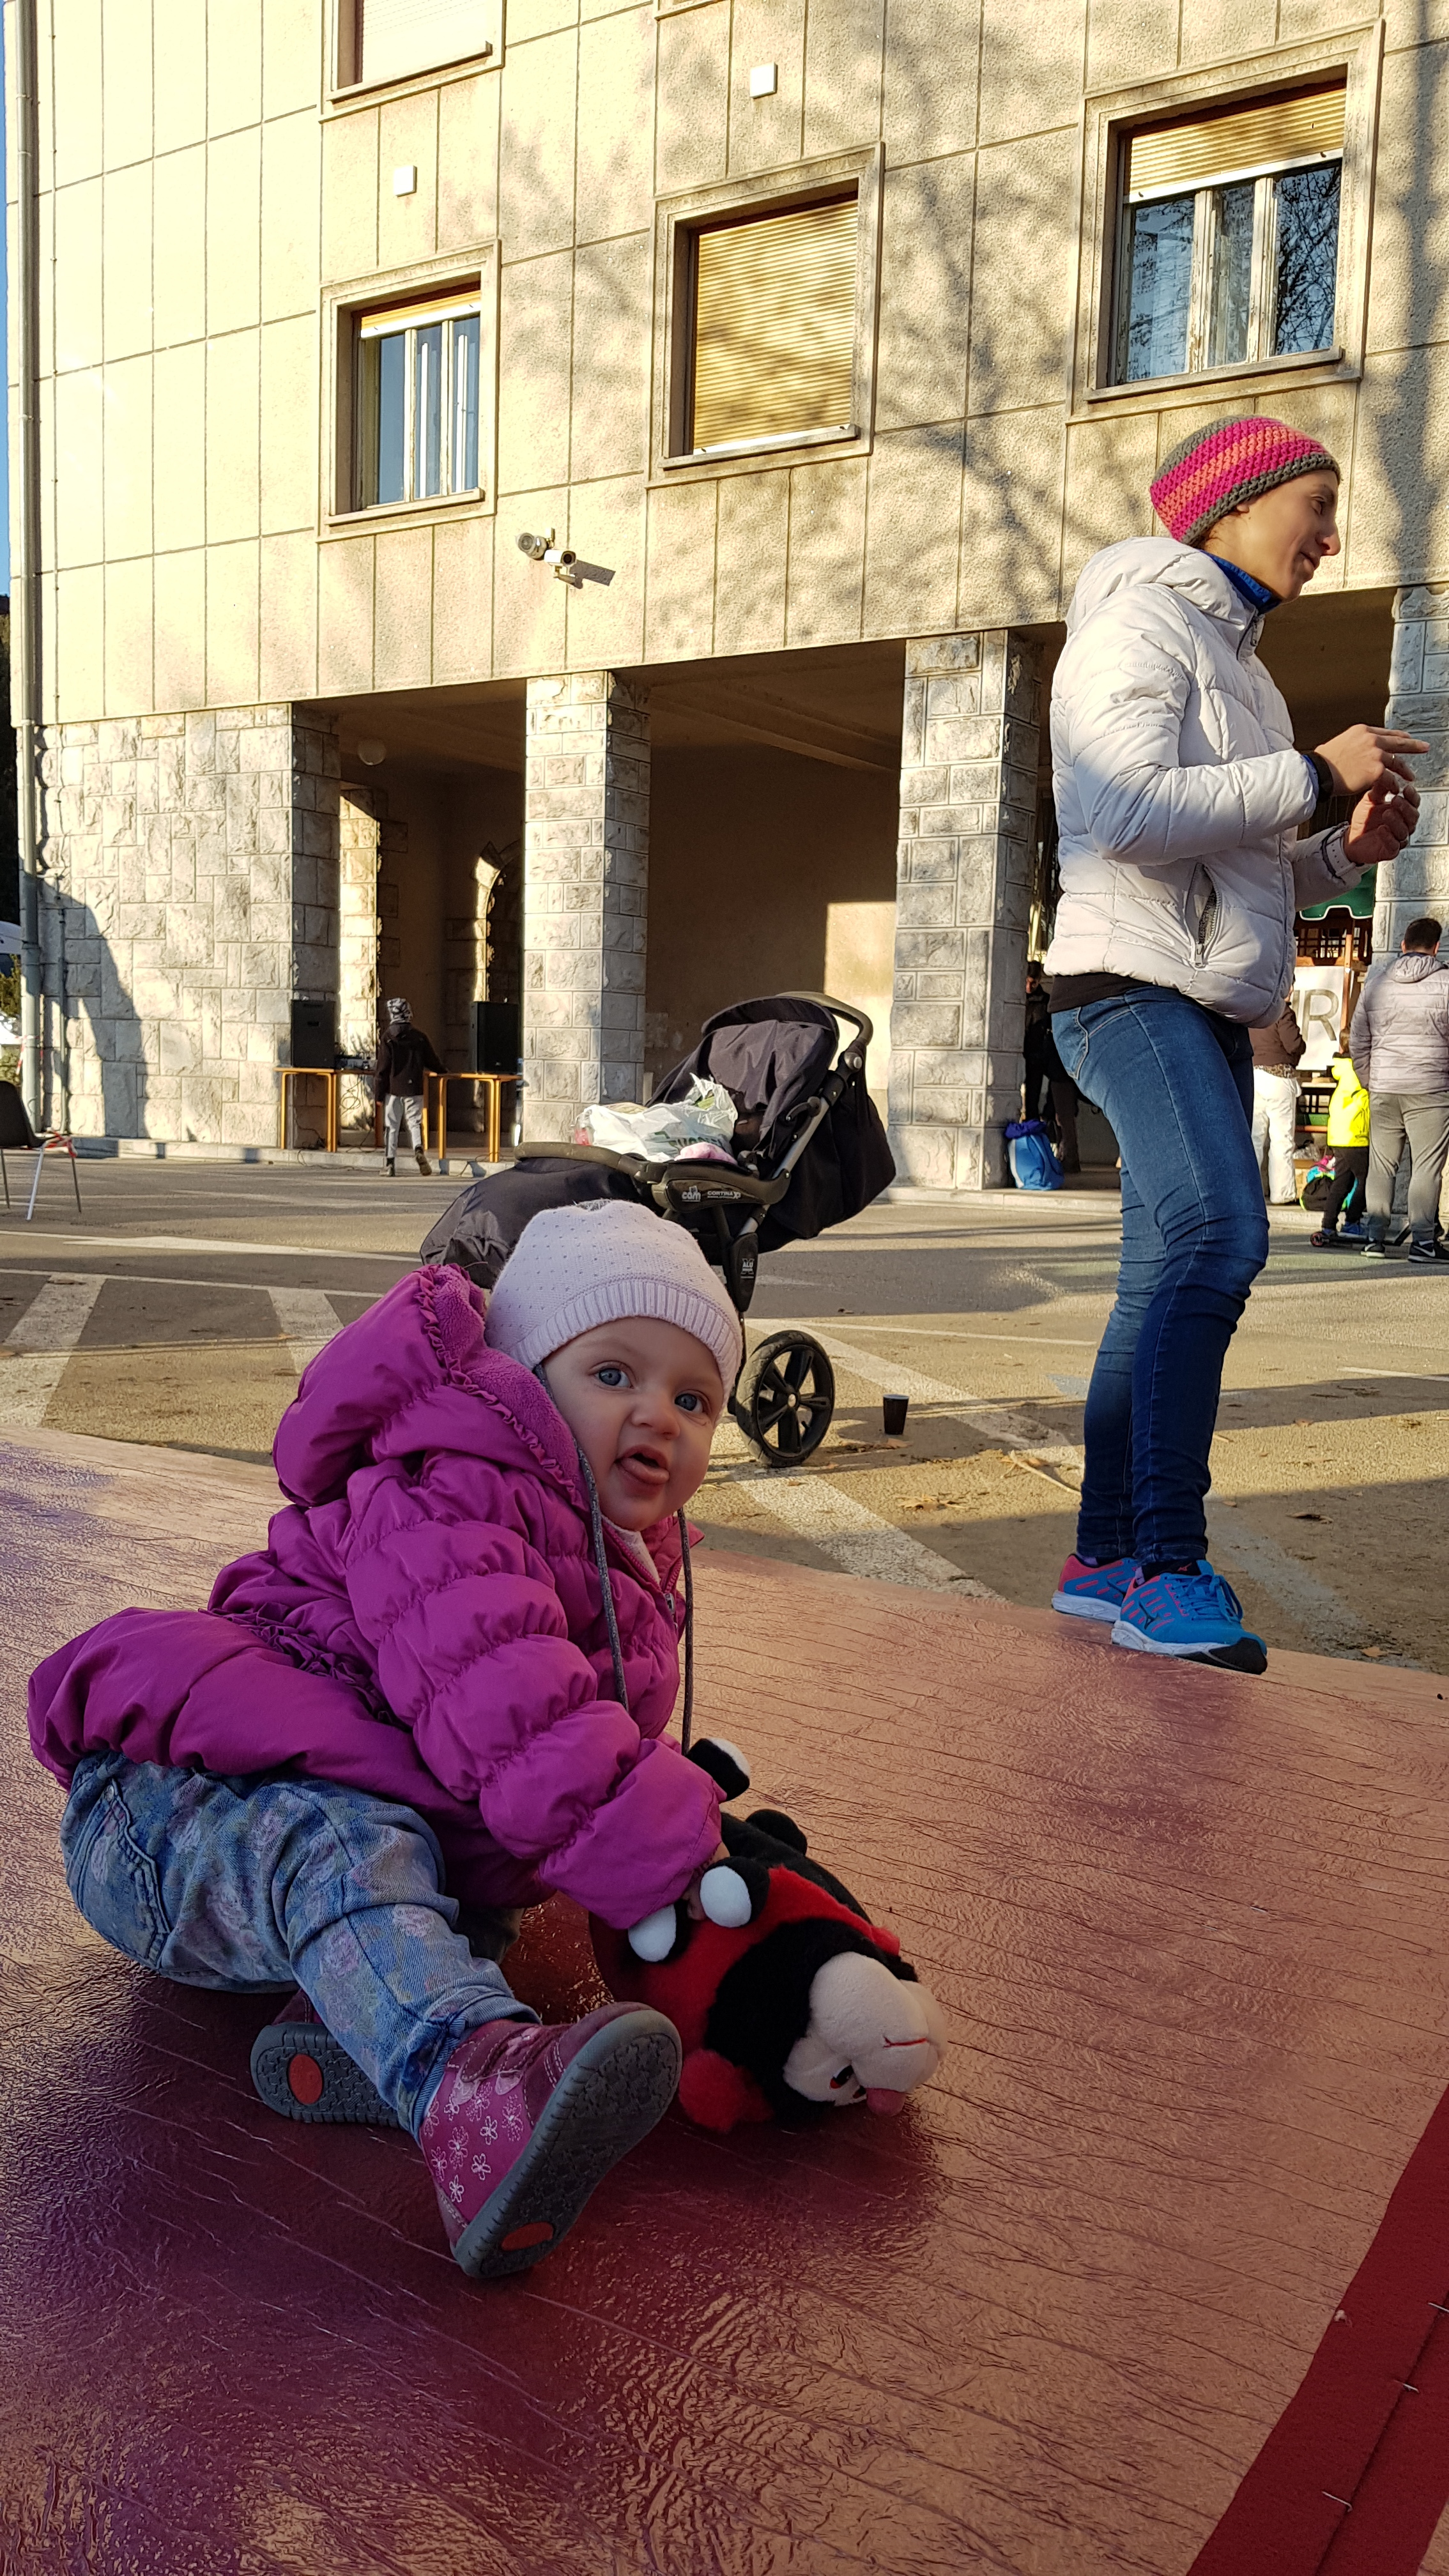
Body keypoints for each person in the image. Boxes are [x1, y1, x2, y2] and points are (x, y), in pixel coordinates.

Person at [27, 1204, 746, 2281]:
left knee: (471, 1874)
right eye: (613, 1374)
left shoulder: (618, 1558)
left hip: (309, 1806)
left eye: (694, 1398)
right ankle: (467, 2089)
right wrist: (681, 1850)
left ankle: (352, 2032)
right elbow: (521, 1726)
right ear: (522, 1376)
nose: (658, 1414)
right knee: (347, 1843)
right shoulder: (450, 1496)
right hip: (169, 1812)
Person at [1044, 415, 1422, 1671]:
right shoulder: (1138, 622)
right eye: (1316, 504)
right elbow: (1121, 809)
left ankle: (1102, 1558)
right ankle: (1165, 1564)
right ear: (1231, 506)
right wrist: (1312, 776)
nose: (1330, 535)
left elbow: (1227, 856)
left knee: (1158, 1278)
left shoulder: (1242, 669)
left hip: (1193, 994)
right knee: (1219, 1234)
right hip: (1124, 988)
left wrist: (1337, 852)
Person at [1348, 916, 1449, 1264]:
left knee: (1381, 1164)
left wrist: (1369, 1079)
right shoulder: (1446, 982)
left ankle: (1374, 1238)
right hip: (1431, 1088)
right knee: (1426, 1166)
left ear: (1403, 945)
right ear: (1436, 948)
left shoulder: (1377, 983)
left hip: (1384, 1087)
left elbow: (1358, 1039)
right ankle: (1423, 1243)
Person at [375, 995, 445, 1177]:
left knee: (392, 1127)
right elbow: (432, 1061)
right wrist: (444, 1072)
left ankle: (390, 1164)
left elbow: (383, 1068)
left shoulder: (388, 1038)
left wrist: (379, 1095)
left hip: (393, 1089)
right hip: (414, 1087)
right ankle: (418, 1149)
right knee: (415, 1123)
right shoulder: (419, 1037)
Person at [1024, 960, 1081, 1172]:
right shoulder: (1022, 1001)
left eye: (1033, 983)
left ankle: (1063, 1153)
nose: (1029, 987)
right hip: (1031, 1059)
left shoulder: (1046, 1003)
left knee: (1058, 1109)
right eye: (1027, 982)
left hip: (1048, 1060)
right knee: (1031, 1104)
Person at [1309, 1052, 1370, 1247]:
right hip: (1356, 1136)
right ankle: (1352, 1222)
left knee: (1342, 1181)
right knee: (1368, 1181)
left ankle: (1328, 1225)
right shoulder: (1361, 1071)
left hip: (1340, 1136)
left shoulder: (1345, 1073)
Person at [1249, 999, 1305, 1204]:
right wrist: (1302, 1046)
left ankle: (1250, 1193)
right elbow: (1293, 1043)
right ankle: (1283, 1193)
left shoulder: (1253, 1008)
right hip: (1279, 1077)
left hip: (1254, 1076)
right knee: (1282, 1139)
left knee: (1254, 1139)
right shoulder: (1282, 1011)